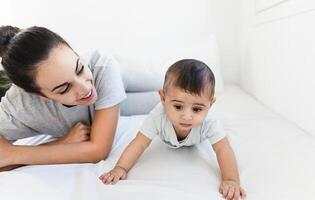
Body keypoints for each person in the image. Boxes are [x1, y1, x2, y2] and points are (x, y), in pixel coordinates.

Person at [99, 59, 246, 200]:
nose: (187, 116)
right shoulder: (158, 116)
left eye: (196, 109)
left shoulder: (209, 121)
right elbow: (139, 143)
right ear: (163, 98)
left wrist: (231, 179)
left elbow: (223, 149)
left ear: (210, 104)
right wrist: (121, 168)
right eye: (178, 106)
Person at [0, 25, 126, 171]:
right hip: (107, 104)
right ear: (39, 95)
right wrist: (61, 142)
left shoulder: (101, 67)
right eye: (64, 89)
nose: (85, 88)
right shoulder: (20, 106)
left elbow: (98, 150)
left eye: (79, 69)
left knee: (156, 85)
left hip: (116, 76)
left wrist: (14, 154)